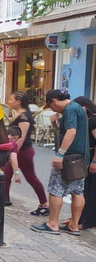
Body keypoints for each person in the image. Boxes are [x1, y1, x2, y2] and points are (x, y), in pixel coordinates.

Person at [32, 90, 89, 235]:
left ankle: (52, 224)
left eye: (51, 106)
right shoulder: (77, 108)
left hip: (68, 157)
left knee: (56, 189)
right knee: (78, 191)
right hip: (81, 157)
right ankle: (74, 225)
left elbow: (71, 132)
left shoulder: (69, 110)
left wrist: (60, 154)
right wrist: (55, 124)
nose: (52, 109)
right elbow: (65, 133)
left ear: (54, 101)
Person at [0, 91, 49, 215]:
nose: (9, 101)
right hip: (17, 151)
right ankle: (2, 200)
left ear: (19, 102)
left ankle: (44, 204)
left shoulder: (24, 117)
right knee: (5, 174)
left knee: (30, 177)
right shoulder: (20, 114)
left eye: (12, 99)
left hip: (23, 152)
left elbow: (21, 137)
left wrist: (12, 152)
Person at [66, 96, 96, 230]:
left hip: (91, 158)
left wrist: (94, 161)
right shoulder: (86, 120)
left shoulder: (93, 121)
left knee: (89, 191)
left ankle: (86, 220)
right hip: (85, 157)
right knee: (84, 189)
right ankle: (78, 218)